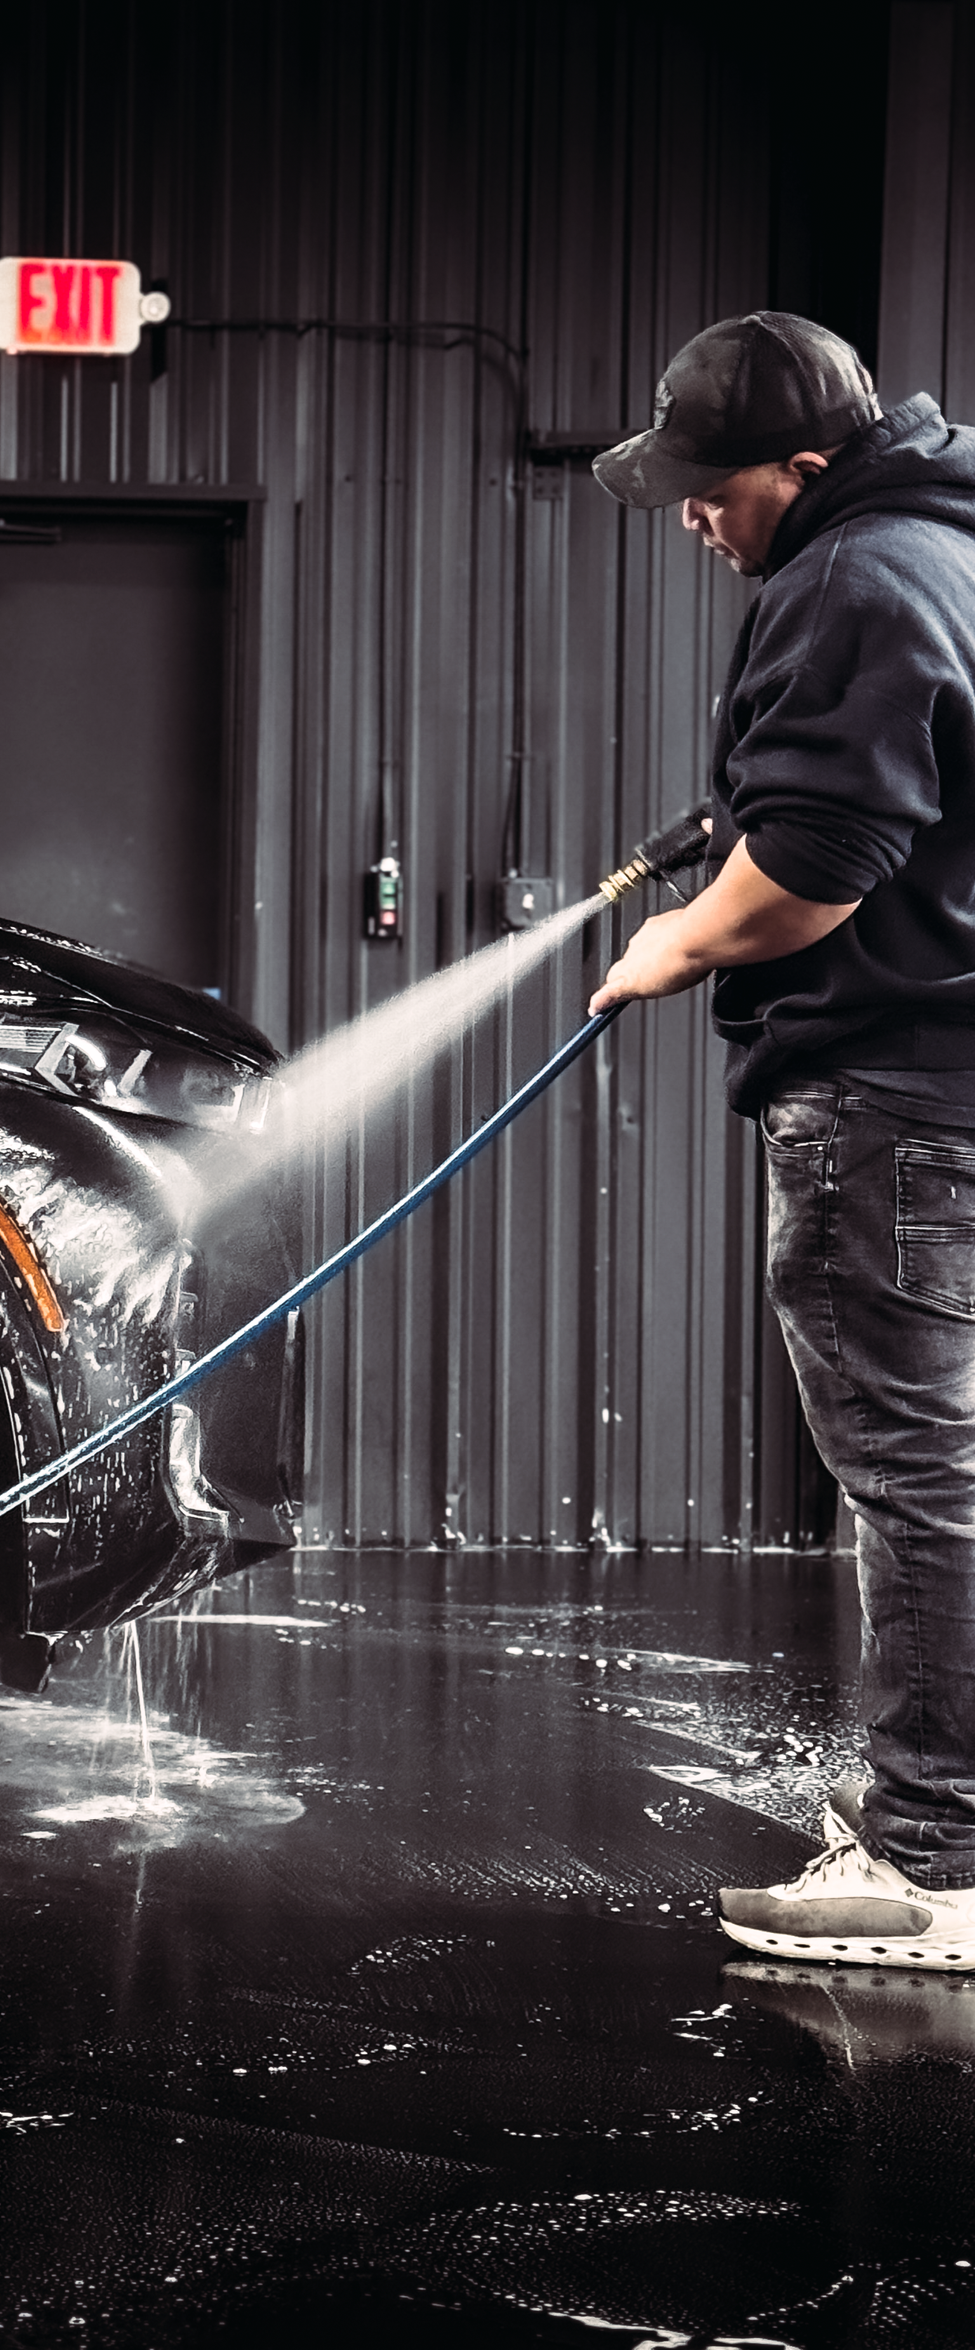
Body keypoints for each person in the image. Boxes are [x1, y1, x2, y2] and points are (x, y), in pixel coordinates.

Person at [591, 310, 975, 1968]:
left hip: (886, 1095)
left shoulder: (857, 574)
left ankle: (935, 1862)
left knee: (918, 1476)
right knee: (947, 1466)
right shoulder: (943, 553)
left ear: (803, 471)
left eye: (711, 483)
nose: (691, 511)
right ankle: (936, 1822)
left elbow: (822, 855)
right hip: (948, 1088)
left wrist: (675, 946)